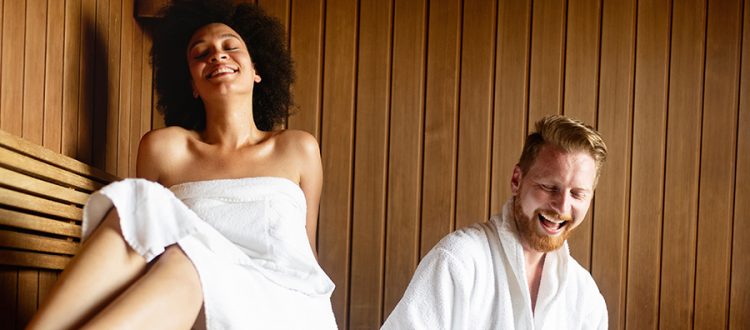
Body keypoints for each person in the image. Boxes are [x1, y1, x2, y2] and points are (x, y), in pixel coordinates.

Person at [27, 0, 337, 328]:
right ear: (191, 83)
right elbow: (140, 244)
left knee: (185, 261)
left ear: (257, 70)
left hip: (282, 301)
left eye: (230, 47)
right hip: (190, 293)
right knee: (147, 212)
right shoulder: (165, 149)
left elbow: (307, 253)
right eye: (201, 54)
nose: (217, 55)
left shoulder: (297, 148)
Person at [382, 115, 609, 329]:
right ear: (516, 180)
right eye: (549, 187)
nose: (561, 206)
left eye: (578, 194)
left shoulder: (585, 296)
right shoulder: (457, 261)